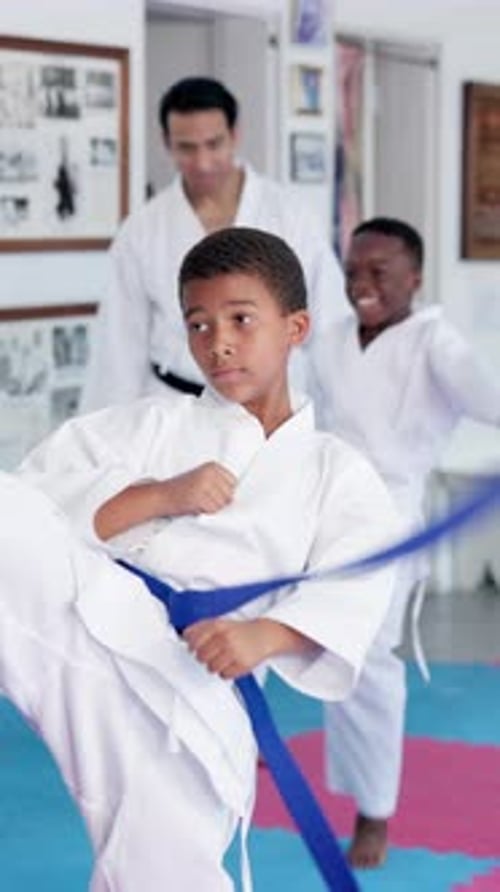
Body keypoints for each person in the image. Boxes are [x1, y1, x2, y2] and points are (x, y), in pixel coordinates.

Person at [0, 228, 399, 892]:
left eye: (241, 319)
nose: (218, 343)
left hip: (195, 695)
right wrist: (159, 495)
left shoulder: (336, 471)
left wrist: (265, 635)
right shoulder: (151, 425)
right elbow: (39, 506)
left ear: (295, 328)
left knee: (162, 873)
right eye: (198, 324)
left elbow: (358, 575)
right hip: (88, 631)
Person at [312, 217, 500, 870]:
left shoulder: (434, 344)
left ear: (414, 278)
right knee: (326, 653)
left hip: (388, 524)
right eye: (352, 272)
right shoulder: (330, 339)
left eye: (379, 272)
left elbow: (489, 398)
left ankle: (375, 813)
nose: (362, 284)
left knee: (367, 660)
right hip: (319, 514)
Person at [80, 76, 345, 411]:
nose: (202, 162)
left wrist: (342, 420)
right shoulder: (142, 230)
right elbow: (118, 347)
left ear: (235, 135)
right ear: (167, 143)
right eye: (186, 148)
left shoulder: (292, 216)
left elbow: (330, 329)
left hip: (273, 407)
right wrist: (110, 432)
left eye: (213, 144)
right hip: (177, 406)